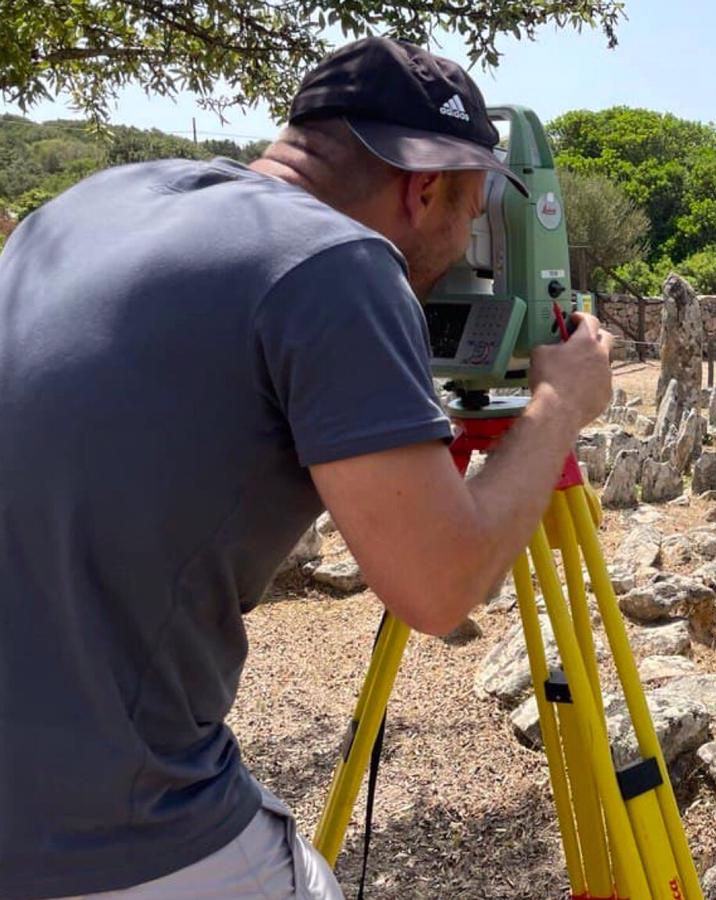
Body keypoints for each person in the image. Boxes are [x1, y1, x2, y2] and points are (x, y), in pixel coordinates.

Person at [0, 38, 613, 899]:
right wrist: (556, 409)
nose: (470, 245)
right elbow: (438, 589)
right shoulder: (339, 264)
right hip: (117, 833)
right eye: (471, 218)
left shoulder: (83, 207)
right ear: (423, 186)